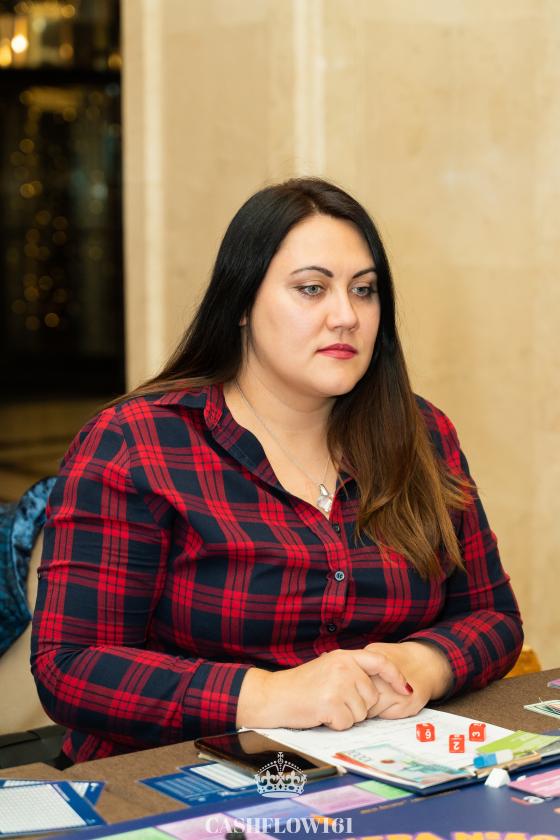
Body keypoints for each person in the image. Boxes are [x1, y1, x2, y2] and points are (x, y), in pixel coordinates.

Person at [31, 178, 523, 765]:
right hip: (178, 776)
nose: (346, 316)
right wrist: (269, 694)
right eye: (311, 289)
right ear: (241, 304)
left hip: (382, 768)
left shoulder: (420, 432)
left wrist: (422, 662)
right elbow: (72, 667)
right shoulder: (138, 443)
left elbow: (493, 617)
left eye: (363, 290)